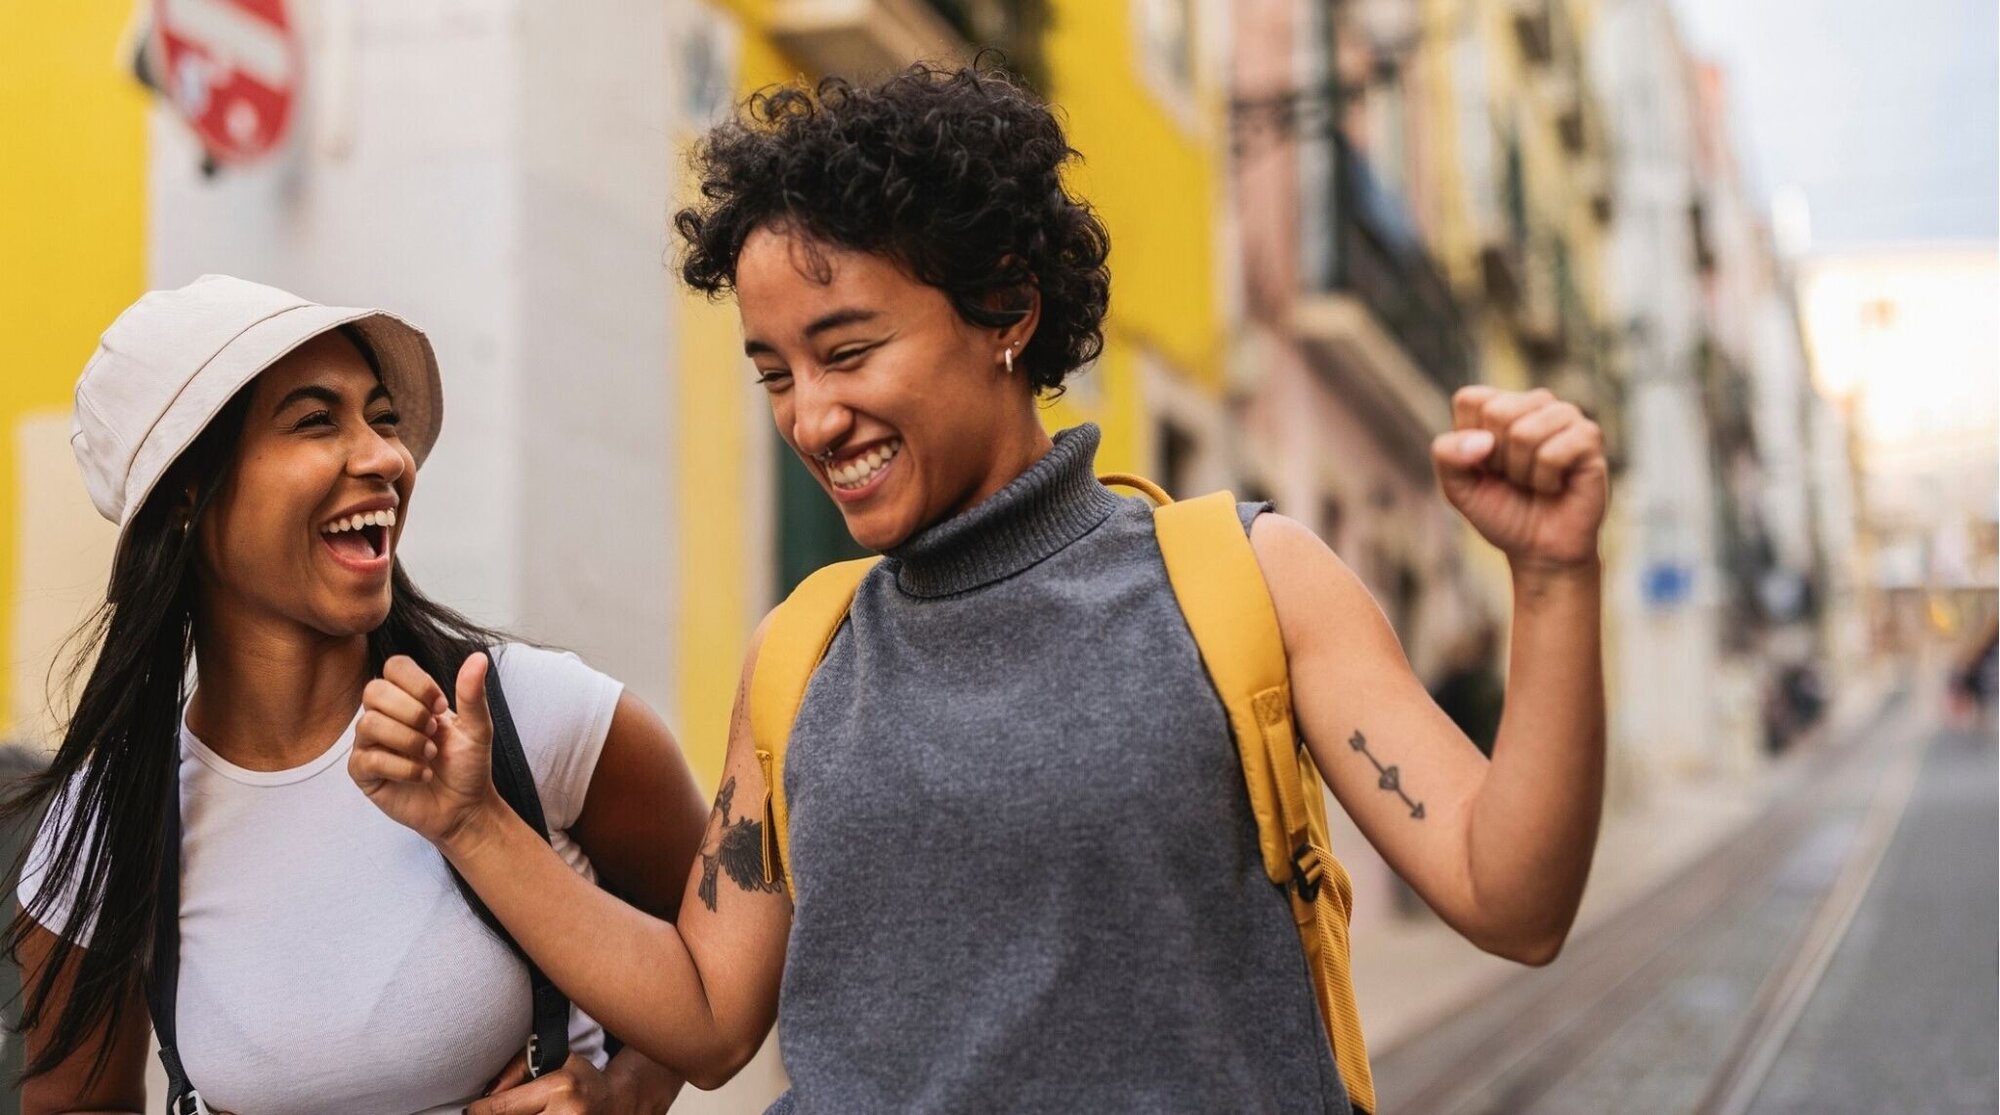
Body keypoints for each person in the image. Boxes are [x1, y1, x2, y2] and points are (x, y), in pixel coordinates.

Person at [351, 63, 1610, 1113]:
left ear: (1005, 306)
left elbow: (1510, 898)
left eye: (847, 350)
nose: (810, 416)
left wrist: (1552, 579)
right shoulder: (800, 649)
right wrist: (476, 825)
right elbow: (707, 1012)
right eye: (775, 373)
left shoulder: (1246, 579)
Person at [6, 275, 705, 1115]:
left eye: (382, 418)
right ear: (186, 490)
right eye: (315, 420)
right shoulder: (117, 814)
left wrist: (625, 1094)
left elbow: (726, 956)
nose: (385, 457)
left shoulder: (522, 716)